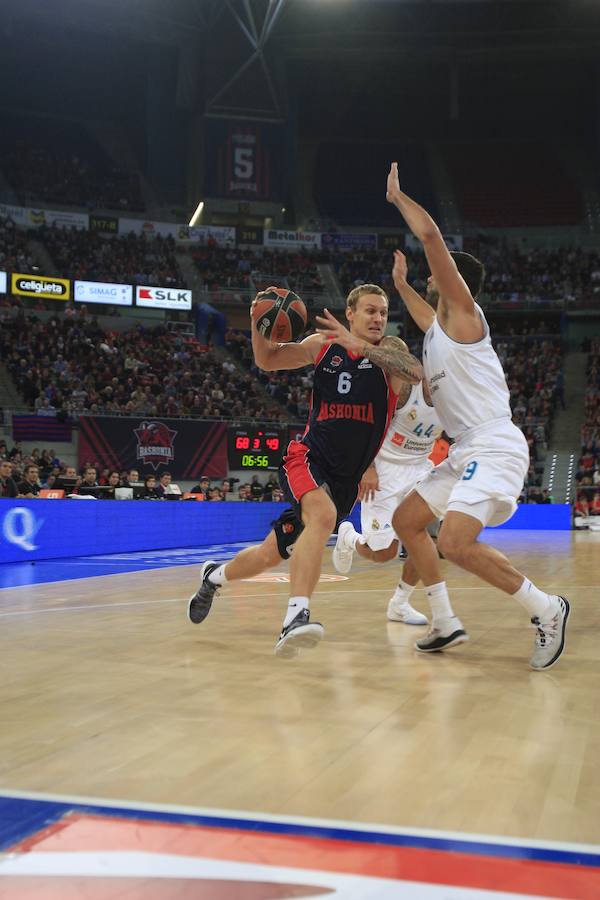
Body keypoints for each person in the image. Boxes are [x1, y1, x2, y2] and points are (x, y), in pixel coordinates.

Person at [385, 162, 569, 670]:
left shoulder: (466, 317)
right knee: (407, 521)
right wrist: (401, 285)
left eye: (434, 275)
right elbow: (423, 313)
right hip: (467, 449)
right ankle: (444, 621)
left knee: (455, 541)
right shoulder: (440, 331)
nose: (429, 278)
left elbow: (430, 236)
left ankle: (547, 609)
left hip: (492, 444)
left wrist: (399, 198)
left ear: (456, 282)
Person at [187, 285, 423, 657]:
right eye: (370, 311)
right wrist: (256, 321)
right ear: (350, 313)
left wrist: (361, 347)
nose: (378, 318)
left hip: (345, 479)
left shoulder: (390, 353)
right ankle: (295, 617)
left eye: (382, 312)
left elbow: (415, 372)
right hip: (308, 458)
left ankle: (213, 576)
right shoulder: (322, 344)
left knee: (270, 554)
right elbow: (267, 360)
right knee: (323, 516)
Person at [332, 375, 444, 626]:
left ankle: (400, 603)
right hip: (384, 470)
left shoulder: (454, 398)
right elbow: (363, 424)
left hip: (420, 470)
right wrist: (366, 466)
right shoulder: (407, 389)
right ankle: (349, 538)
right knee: (383, 554)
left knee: (427, 540)